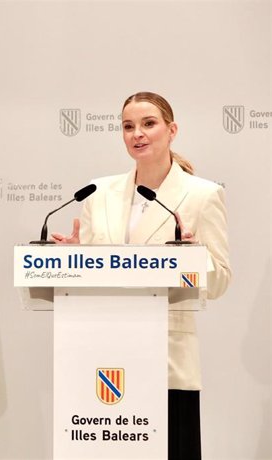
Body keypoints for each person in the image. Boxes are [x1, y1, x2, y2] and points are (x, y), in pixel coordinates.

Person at [51, 91, 231, 459]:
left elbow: (220, 281)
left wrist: (191, 258)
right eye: (128, 126)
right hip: (101, 358)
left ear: (172, 129)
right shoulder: (98, 193)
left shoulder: (202, 195)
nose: (138, 134)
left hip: (167, 363)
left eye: (149, 124)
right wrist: (74, 258)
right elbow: (96, 274)